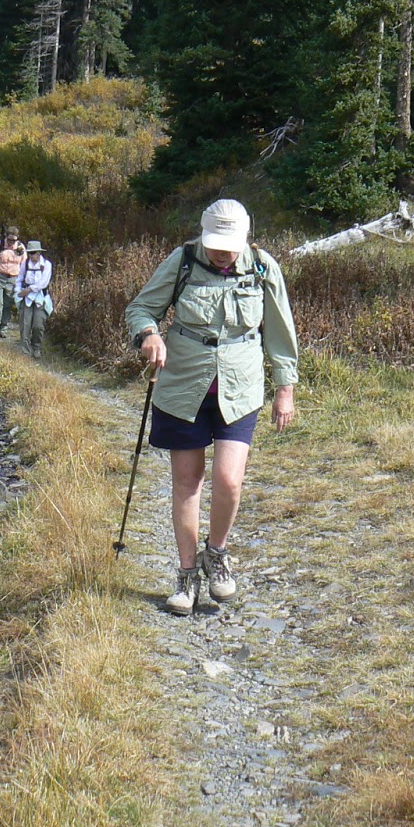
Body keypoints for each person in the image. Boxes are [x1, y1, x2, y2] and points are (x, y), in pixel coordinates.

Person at [124, 198, 297, 615]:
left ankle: (216, 555)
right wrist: (149, 335)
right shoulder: (182, 260)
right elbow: (141, 308)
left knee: (229, 480)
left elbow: (279, 328)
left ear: (245, 237)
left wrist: (284, 387)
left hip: (241, 387)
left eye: (230, 243)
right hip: (183, 386)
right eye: (216, 242)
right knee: (187, 482)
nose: (222, 251)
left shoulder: (261, 267)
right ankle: (186, 577)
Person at [0, 225, 26, 337]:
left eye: (14, 240)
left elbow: (24, 265)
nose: (12, 242)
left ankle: (3, 328)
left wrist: (23, 281)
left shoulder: (21, 248)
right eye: (10, 240)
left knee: (8, 304)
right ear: (6, 237)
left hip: (13, 279)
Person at [15, 240, 53, 358]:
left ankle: (36, 347)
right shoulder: (25, 264)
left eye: (34, 253)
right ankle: (25, 351)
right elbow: (19, 279)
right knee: (25, 325)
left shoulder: (46, 264)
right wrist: (18, 292)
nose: (32, 256)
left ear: (39, 253)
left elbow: (43, 283)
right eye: (30, 253)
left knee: (38, 325)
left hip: (40, 298)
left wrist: (29, 290)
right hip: (26, 299)